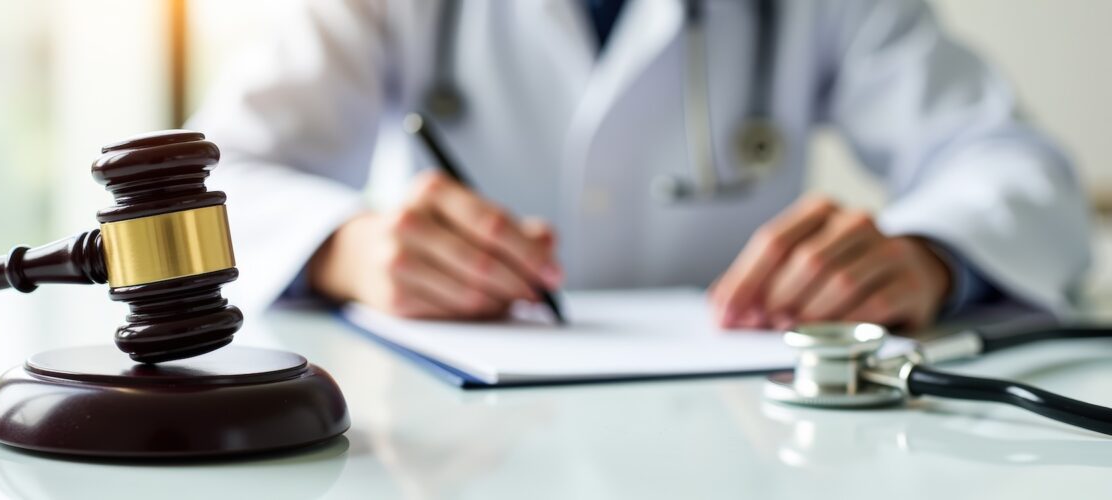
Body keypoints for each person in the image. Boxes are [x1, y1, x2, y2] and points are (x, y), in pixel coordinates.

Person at [190, 0, 1091, 330]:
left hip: (747, 440)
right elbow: (200, 190)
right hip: (447, 450)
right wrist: (349, 246)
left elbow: (1016, 167)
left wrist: (925, 254)